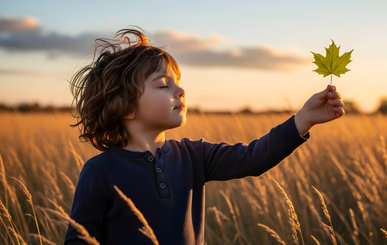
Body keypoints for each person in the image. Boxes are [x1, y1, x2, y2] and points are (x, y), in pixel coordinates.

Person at [64, 27, 345, 244]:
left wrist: (303, 119)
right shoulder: (100, 171)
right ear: (123, 105)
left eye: (179, 83)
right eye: (163, 85)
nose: (180, 91)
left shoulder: (193, 155)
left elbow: (252, 158)